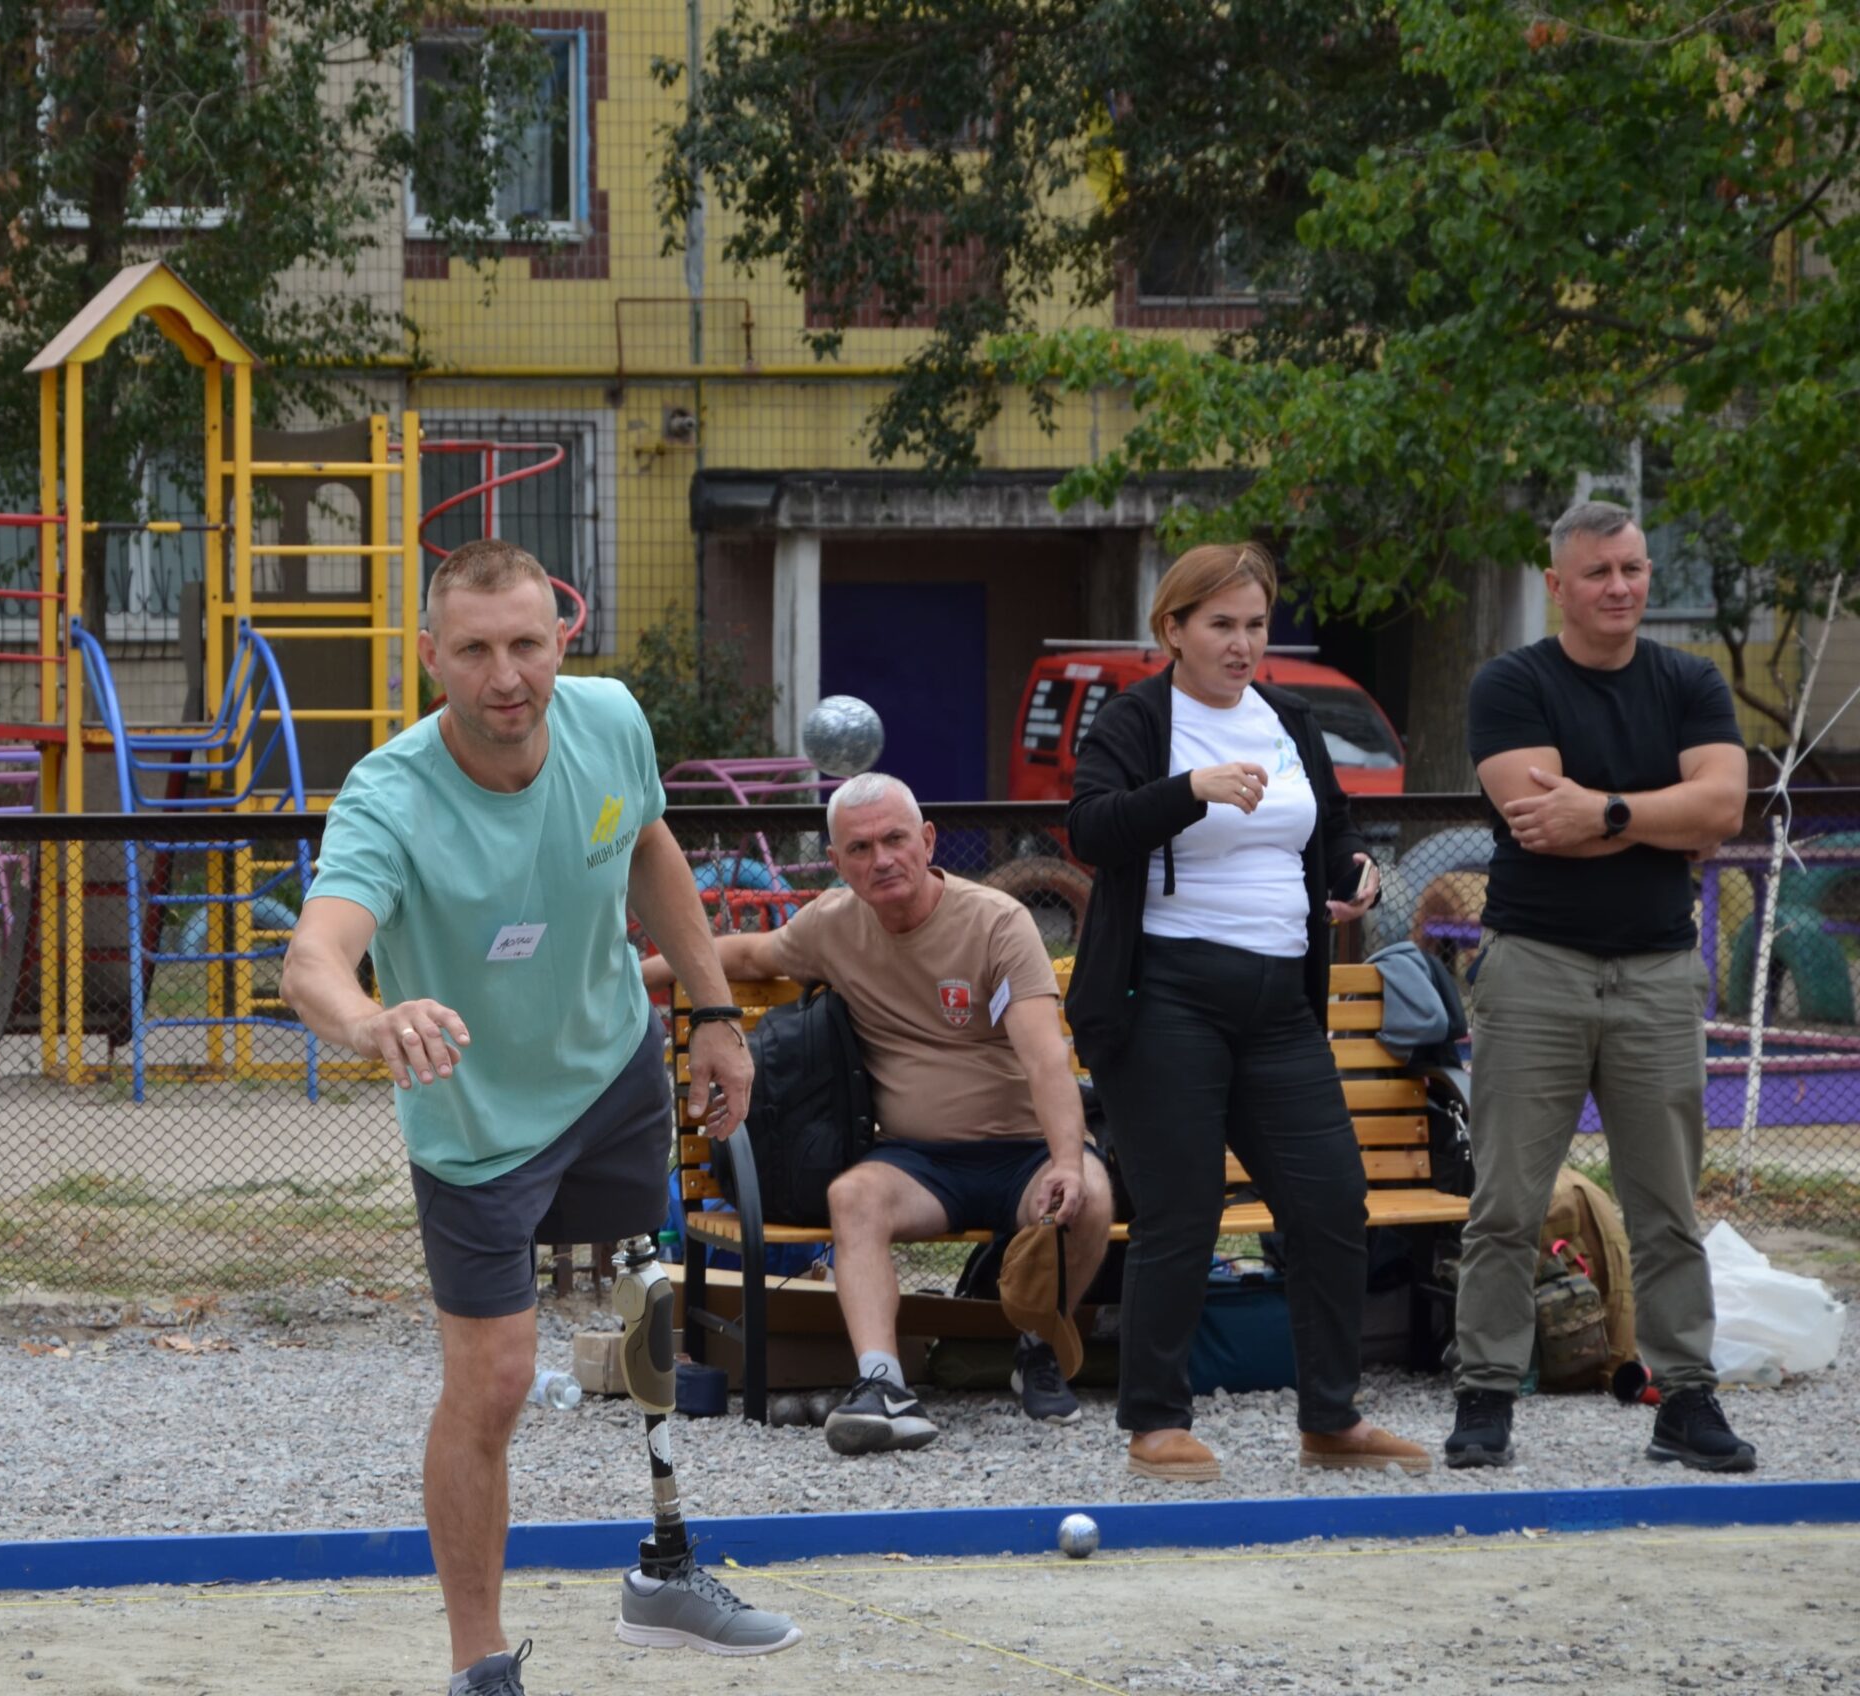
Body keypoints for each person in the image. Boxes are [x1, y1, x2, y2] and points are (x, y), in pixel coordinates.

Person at [282, 540, 800, 1696]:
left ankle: (666, 1567)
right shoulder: (390, 795)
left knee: (650, 1311)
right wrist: (369, 1020)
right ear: (431, 656)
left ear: (562, 642)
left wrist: (713, 1011)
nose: (505, 675)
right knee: (496, 1381)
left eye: (526, 643)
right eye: (474, 649)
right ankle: (478, 1661)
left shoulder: (610, 719)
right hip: (475, 1123)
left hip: (613, 1069)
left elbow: (647, 844)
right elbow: (312, 957)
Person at [1064, 541, 1430, 1483]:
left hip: (1280, 1000)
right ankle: (1155, 1421)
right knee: (1183, 1209)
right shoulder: (1138, 719)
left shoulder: (1288, 718)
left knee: (1330, 1201)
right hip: (1166, 994)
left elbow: (1331, 825)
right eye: (1220, 625)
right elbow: (1090, 828)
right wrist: (1191, 790)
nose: (1241, 644)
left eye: (1256, 625)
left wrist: (1355, 869)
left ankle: (1331, 1418)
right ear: (1174, 630)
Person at [642, 770, 1112, 1450]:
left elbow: (1045, 1059)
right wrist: (633, 976)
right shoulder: (833, 925)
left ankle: (1039, 1347)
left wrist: (1067, 1159)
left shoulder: (997, 922)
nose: (882, 859)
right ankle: (883, 1384)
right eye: (860, 848)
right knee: (853, 1197)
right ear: (837, 861)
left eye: (895, 839)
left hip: (1025, 1151)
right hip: (920, 1162)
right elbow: (747, 951)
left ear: (928, 841)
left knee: (1090, 1195)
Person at [1448, 499, 1754, 1471]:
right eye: (1598, 572)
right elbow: (1541, 819)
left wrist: (1610, 810)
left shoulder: (1690, 682)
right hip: (1534, 966)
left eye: (1632, 568)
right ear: (1556, 585)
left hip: (1659, 970)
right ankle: (1486, 1395)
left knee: (1667, 1206)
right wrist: (1666, 818)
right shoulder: (1511, 684)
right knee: (1506, 1201)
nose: (1620, 587)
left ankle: (1686, 1399)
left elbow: (1724, 806)